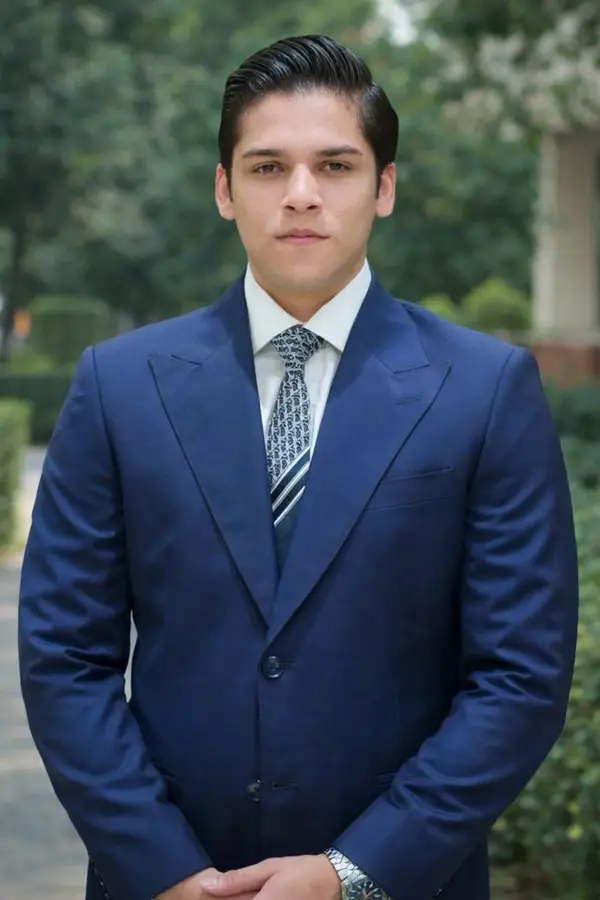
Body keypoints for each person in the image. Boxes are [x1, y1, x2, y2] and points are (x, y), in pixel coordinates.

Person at [18, 33, 578, 900]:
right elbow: (64, 655)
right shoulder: (119, 386)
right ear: (224, 189)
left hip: (402, 880)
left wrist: (354, 873)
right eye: (268, 166)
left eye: (337, 166)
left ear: (385, 187)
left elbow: (521, 677)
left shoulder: (486, 389)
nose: (302, 194)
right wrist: (164, 870)